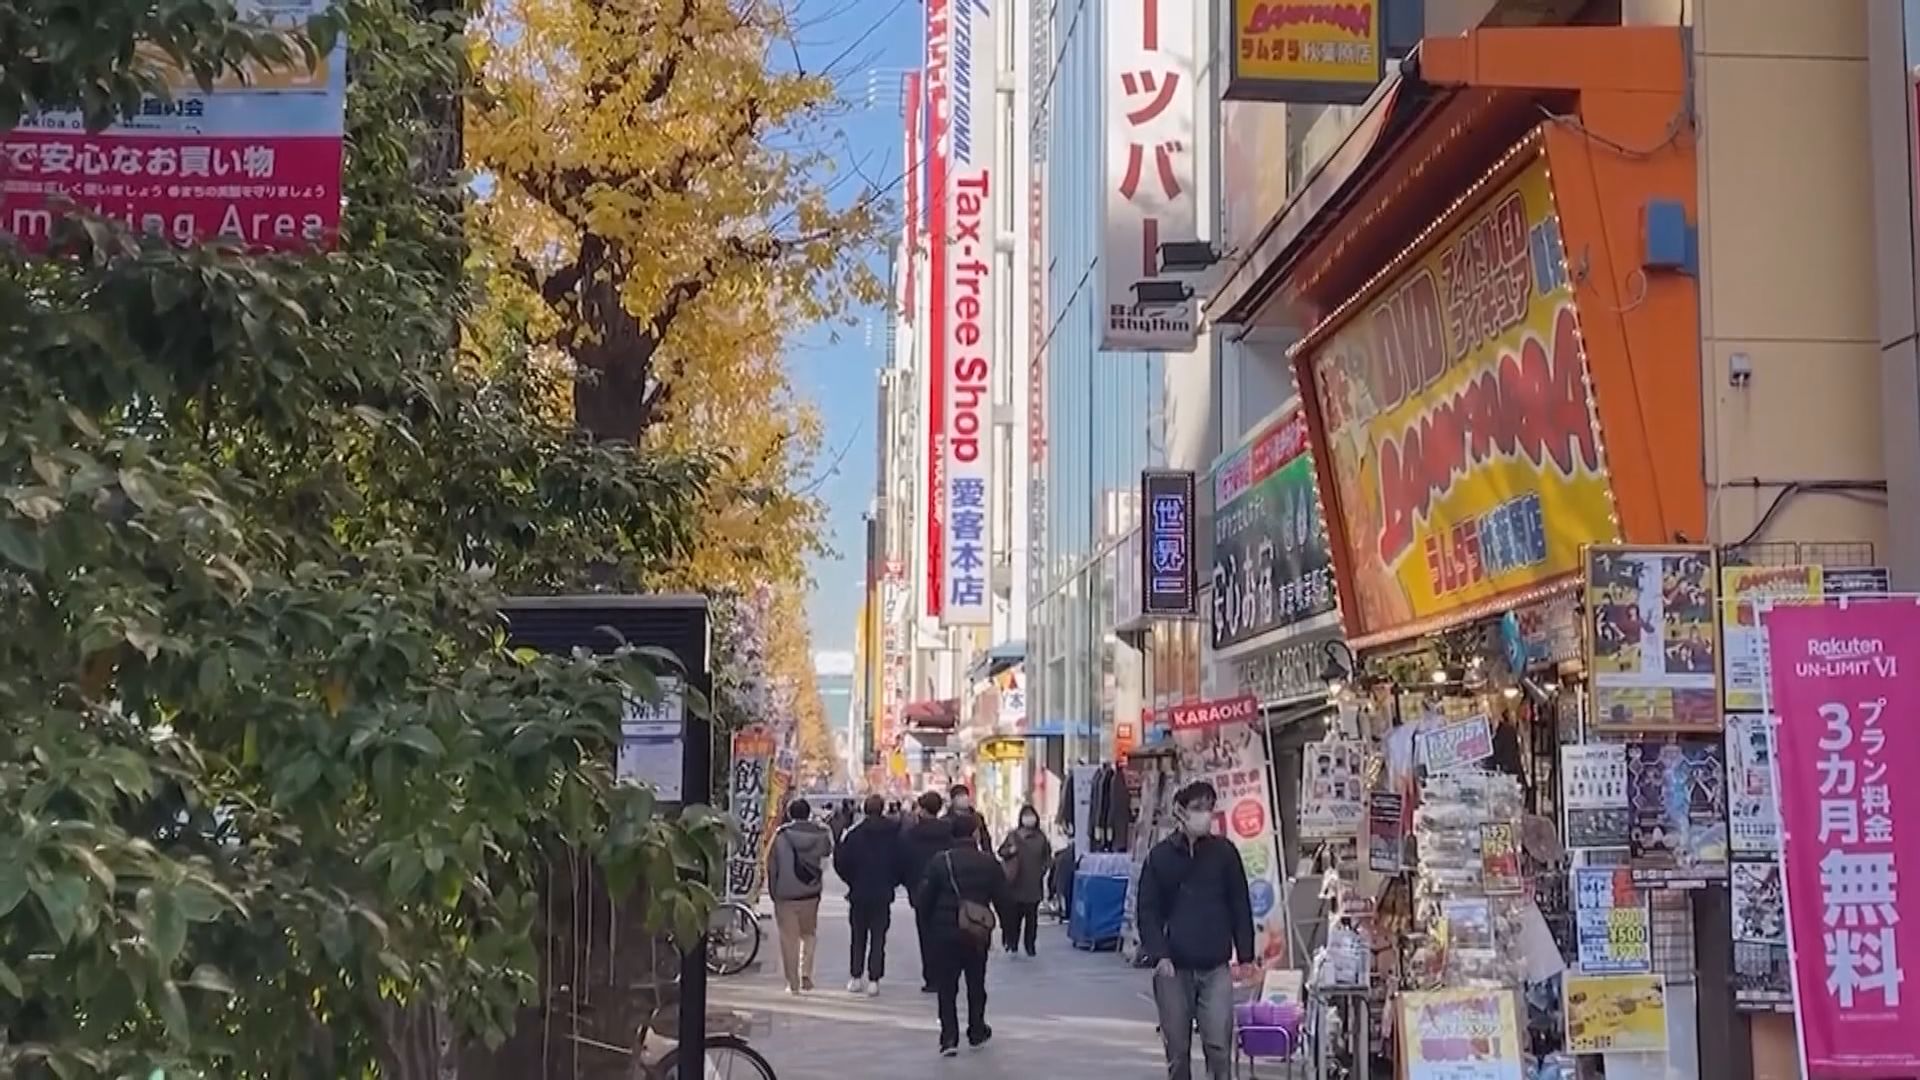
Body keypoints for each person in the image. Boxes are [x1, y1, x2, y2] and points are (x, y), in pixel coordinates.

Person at [1136, 781, 1256, 1080]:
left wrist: (1246, 955)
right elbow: (1147, 911)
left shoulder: (1224, 854)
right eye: (1197, 808)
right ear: (1180, 811)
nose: (1204, 815)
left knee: (1218, 1046)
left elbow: (1239, 904)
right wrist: (1159, 953)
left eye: (1208, 808)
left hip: (1216, 966)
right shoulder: (1160, 857)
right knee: (1178, 1051)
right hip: (1173, 968)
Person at [915, 812, 1010, 1057]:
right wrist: (1008, 929)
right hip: (976, 932)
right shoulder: (989, 863)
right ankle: (976, 1029)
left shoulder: (940, 861)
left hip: (945, 933)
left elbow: (926, 898)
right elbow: (1003, 899)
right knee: (976, 982)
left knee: (947, 987)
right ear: (975, 833)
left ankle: (949, 1037)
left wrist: (928, 923)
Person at [833, 794, 903, 997]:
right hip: (882, 893)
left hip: (859, 893)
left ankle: (855, 976)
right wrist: (893, 881)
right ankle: (874, 979)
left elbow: (841, 861)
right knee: (879, 937)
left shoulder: (855, 835)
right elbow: (900, 861)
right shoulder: (893, 834)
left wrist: (851, 881)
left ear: (864, 810)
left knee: (858, 936)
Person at [767, 798, 834, 994]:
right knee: (809, 934)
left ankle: (793, 983)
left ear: (789, 814)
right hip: (811, 894)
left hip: (786, 895)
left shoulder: (781, 837)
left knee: (789, 939)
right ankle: (806, 974)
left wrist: (773, 892)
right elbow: (826, 857)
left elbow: (772, 867)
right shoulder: (821, 835)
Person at [900, 790, 953, 993]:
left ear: (921, 809)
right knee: (946, 930)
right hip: (947, 886)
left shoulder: (911, 834)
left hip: (920, 887)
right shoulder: (948, 832)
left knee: (926, 933)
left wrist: (908, 883)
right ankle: (947, 973)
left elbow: (904, 861)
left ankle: (931, 978)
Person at [996, 804, 1050, 957]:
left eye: (1031, 815)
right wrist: (1010, 851)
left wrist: (1043, 870)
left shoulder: (1041, 837)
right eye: (1026, 815)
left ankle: (1030, 945)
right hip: (1016, 882)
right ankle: (1012, 943)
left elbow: (1047, 857)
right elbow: (1001, 851)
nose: (1029, 818)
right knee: (1015, 917)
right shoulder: (1013, 835)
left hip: (1033, 883)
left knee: (1032, 918)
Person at [941, 784, 992, 853]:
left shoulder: (977, 817)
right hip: (955, 854)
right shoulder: (946, 820)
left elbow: (985, 839)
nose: (964, 798)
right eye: (959, 796)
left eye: (965, 795)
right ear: (953, 800)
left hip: (975, 853)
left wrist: (988, 853)